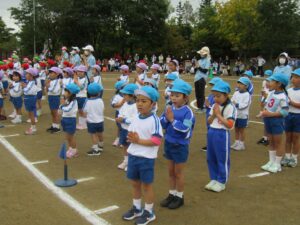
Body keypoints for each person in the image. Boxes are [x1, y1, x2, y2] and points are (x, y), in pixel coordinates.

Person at [122, 86, 162, 225]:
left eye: (144, 101)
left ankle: (149, 212)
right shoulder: (136, 118)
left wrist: (138, 140)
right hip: (134, 156)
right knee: (134, 183)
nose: (139, 104)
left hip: (146, 158)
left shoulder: (155, 120)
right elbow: (132, 134)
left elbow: (156, 140)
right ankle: (137, 208)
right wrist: (132, 139)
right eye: (138, 100)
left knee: (146, 186)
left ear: (153, 104)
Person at [160, 79, 195, 209]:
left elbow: (185, 128)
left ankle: (179, 197)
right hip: (169, 143)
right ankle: (171, 194)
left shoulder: (188, 112)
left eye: (177, 95)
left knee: (178, 173)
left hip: (180, 146)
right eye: (172, 95)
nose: (173, 98)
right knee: (170, 172)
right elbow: (162, 122)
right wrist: (166, 119)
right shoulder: (169, 108)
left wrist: (172, 120)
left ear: (185, 98)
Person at [206, 80, 237, 192]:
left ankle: (221, 181)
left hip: (222, 134)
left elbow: (230, 124)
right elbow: (209, 121)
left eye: (218, 96)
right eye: (214, 96)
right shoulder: (215, 105)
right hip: (212, 132)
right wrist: (214, 114)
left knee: (222, 158)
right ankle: (213, 178)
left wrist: (218, 115)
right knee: (211, 157)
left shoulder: (230, 107)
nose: (216, 99)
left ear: (226, 95)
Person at [260, 73, 289, 173]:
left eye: (272, 81)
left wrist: (270, 114)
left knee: (278, 142)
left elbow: (285, 112)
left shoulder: (282, 96)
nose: (269, 83)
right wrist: (263, 112)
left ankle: (277, 164)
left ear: (279, 84)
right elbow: (267, 105)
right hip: (268, 120)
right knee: (271, 141)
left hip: (277, 121)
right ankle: (271, 161)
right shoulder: (272, 93)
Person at [116, 83, 139, 171]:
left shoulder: (136, 106)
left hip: (132, 131)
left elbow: (135, 118)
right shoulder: (125, 104)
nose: (123, 96)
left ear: (132, 95)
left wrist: (124, 120)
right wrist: (119, 117)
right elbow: (121, 112)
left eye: (125, 94)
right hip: (124, 129)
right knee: (125, 145)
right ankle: (126, 160)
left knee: (132, 147)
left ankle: (132, 164)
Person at [281, 68, 300, 168]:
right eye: (293, 77)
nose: (293, 79)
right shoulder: (288, 90)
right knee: (288, 137)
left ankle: (294, 158)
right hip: (288, 115)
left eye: (296, 77)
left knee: (296, 138)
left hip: (298, 116)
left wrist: (291, 103)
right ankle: (287, 156)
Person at [83, 83, 105, 156]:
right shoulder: (100, 100)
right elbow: (102, 109)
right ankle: (101, 145)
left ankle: (95, 149)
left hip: (91, 121)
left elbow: (84, 111)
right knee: (100, 133)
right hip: (100, 120)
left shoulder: (87, 101)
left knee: (93, 135)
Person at [59, 83, 80, 159]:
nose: (64, 93)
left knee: (71, 136)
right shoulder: (68, 100)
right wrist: (62, 106)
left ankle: (74, 150)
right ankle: (70, 148)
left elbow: (68, 110)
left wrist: (62, 106)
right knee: (68, 136)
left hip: (70, 120)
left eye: (65, 91)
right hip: (65, 119)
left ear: (70, 93)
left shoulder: (74, 101)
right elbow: (63, 108)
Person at [202, 77, 223, 151]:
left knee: (215, 132)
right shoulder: (211, 95)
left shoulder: (220, 97)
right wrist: (206, 104)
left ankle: (214, 146)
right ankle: (209, 145)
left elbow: (218, 109)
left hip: (215, 118)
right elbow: (207, 105)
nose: (212, 88)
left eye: (214, 85)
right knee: (209, 131)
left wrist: (209, 106)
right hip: (209, 117)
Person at [231, 77, 252, 151]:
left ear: (246, 86)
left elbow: (244, 105)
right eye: (238, 83)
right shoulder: (236, 93)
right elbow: (232, 100)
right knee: (236, 129)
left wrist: (236, 104)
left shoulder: (247, 95)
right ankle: (236, 142)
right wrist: (233, 104)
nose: (239, 85)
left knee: (242, 130)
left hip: (243, 115)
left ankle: (242, 144)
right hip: (236, 115)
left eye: (241, 84)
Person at [257, 70, 273, 145]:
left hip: (270, 112)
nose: (266, 82)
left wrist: (265, 95)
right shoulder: (268, 89)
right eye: (266, 81)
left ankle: (269, 139)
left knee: (269, 125)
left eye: (268, 81)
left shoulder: (272, 92)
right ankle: (265, 138)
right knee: (266, 124)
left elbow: (269, 101)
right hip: (266, 110)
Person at [194, 46, 211, 113]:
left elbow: (205, 71)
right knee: (197, 94)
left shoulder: (208, 61)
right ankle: (199, 107)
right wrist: (196, 67)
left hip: (202, 78)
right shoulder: (199, 60)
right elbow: (196, 70)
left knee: (201, 93)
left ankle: (202, 107)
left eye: (202, 53)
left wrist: (198, 67)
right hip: (196, 78)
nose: (201, 54)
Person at [46, 67, 62, 133]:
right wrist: (47, 86)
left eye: (52, 73)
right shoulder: (52, 81)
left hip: (55, 97)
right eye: (50, 73)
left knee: (55, 112)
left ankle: (57, 127)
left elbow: (53, 90)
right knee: (52, 112)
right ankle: (54, 125)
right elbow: (47, 90)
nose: (50, 74)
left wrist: (47, 85)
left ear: (57, 74)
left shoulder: (57, 81)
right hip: (51, 97)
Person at [22, 68, 39, 135]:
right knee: (30, 114)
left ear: (31, 75)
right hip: (28, 98)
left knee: (31, 114)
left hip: (30, 98)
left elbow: (27, 90)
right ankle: (32, 127)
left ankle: (33, 128)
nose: (25, 75)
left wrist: (24, 87)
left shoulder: (32, 82)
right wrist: (25, 86)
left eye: (27, 74)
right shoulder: (30, 82)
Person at [111, 80, 126, 147]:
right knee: (120, 127)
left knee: (125, 128)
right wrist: (120, 104)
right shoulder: (117, 96)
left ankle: (122, 140)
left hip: (126, 114)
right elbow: (113, 105)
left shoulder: (128, 95)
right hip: (119, 113)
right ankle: (118, 139)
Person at [73, 65, 89, 130]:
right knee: (79, 111)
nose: (78, 73)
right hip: (77, 96)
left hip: (83, 97)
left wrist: (76, 82)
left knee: (82, 111)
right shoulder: (79, 78)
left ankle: (84, 124)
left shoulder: (85, 79)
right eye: (78, 71)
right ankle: (80, 123)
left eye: (80, 72)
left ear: (84, 73)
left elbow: (82, 87)